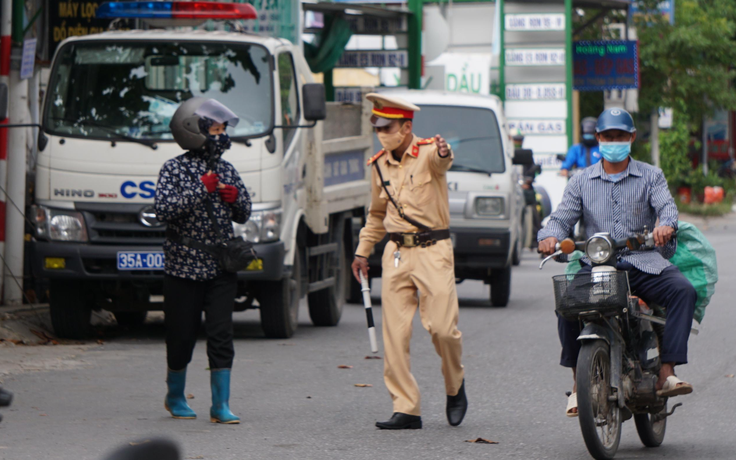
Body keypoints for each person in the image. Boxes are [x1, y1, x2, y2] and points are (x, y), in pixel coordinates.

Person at [538, 108, 696, 417]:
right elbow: (560, 219)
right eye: (608, 136)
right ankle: (576, 386)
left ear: (632, 138)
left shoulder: (651, 175)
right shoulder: (580, 180)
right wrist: (549, 237)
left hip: (643, 263)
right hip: (598, 268)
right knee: (568, 304)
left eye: (620, 136)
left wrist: (665, 225)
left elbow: (667, 208)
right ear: (598, 138)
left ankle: (666, 372)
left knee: (682, 291)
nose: (614, 142)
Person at [351, 93, 467, 430]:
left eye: (387, 127)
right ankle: (406, 407)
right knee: (395, 334)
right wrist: (362, 250)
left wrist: (445, 152)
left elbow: (444, 161)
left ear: (406, 127)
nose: (381, 133)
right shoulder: (378, 165)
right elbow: (376, 215)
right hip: (396, 253)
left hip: (433, 250)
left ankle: (455, 386)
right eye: (378, 128)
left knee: (444, 330)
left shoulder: (430, 152)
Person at [154, 98, 251, 424]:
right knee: (181, 335)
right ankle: (175, 395)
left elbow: (244, 212)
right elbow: (163, 210)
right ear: (193, 131)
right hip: (183, 266)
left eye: (223, 129)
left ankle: (220, 405)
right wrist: (200, 189)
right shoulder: (174, 168)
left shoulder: (227, 169)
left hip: (221, 268)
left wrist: (235, 198)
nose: (221, 135)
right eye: (215, 129)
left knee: (222, 335)